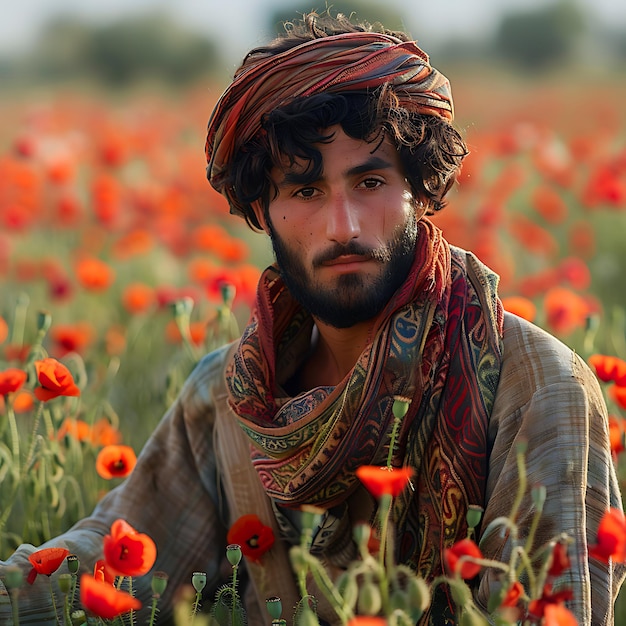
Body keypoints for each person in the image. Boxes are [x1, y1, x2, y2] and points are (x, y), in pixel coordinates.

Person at [0, 11, 624, 625]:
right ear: (262, 209)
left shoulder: (537, 387)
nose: (343, 225)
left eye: (371, 181)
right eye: (304, 191)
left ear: (422, 190)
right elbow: (100, 563)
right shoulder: (230, 396)